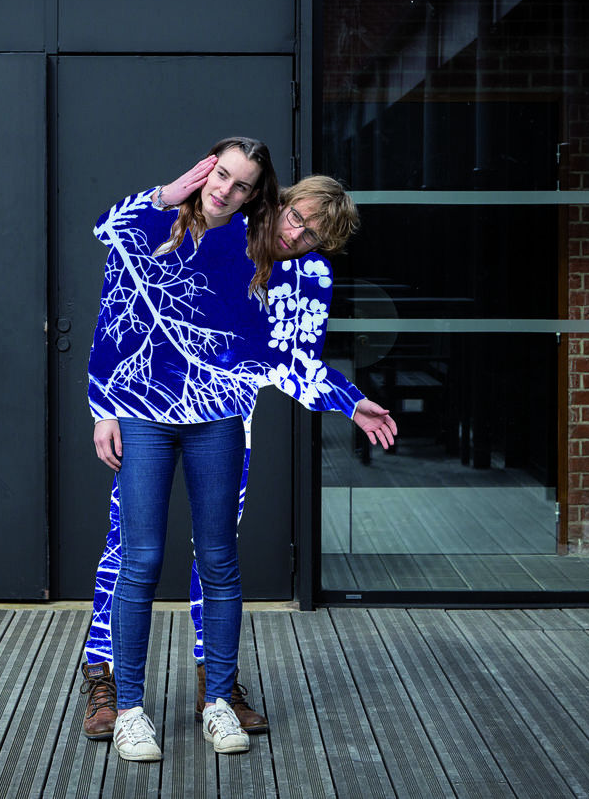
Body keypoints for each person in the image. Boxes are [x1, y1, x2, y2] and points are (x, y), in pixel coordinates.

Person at [82, 157, 396, 762]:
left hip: (224, 418)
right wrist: (104, 403)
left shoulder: (309, 275)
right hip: (145, 404)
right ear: (280, 201)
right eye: (296, 217)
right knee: (131, 550)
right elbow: (119, 281)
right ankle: (108, 681)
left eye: (313, 234)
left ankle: (216, 688)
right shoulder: (221, 223)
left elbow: (293, 362)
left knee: (217, 554)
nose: (296, 234)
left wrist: (350, 401)